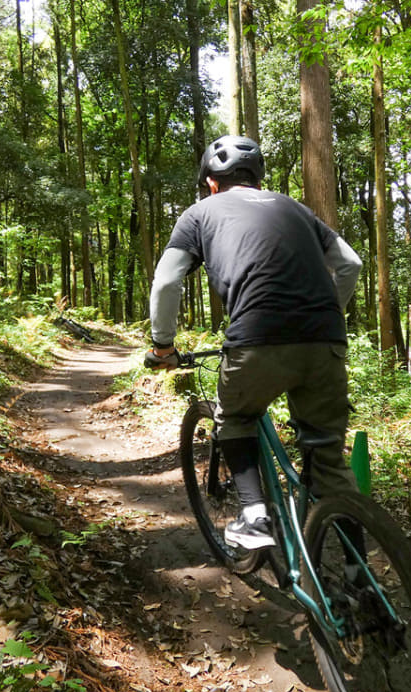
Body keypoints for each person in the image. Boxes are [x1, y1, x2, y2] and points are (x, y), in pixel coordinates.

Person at [145, 135, 362, 549]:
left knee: (236, 417)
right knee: (328, 458)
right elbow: (350, 263)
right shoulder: (295, 208)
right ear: (258, 178)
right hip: (326, 341)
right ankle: (358, 573)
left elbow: (167, 280)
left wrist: (163, 346)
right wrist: (328, 313)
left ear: (211, 182)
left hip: (257, 338)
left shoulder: (199, 213)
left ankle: (253, 515)